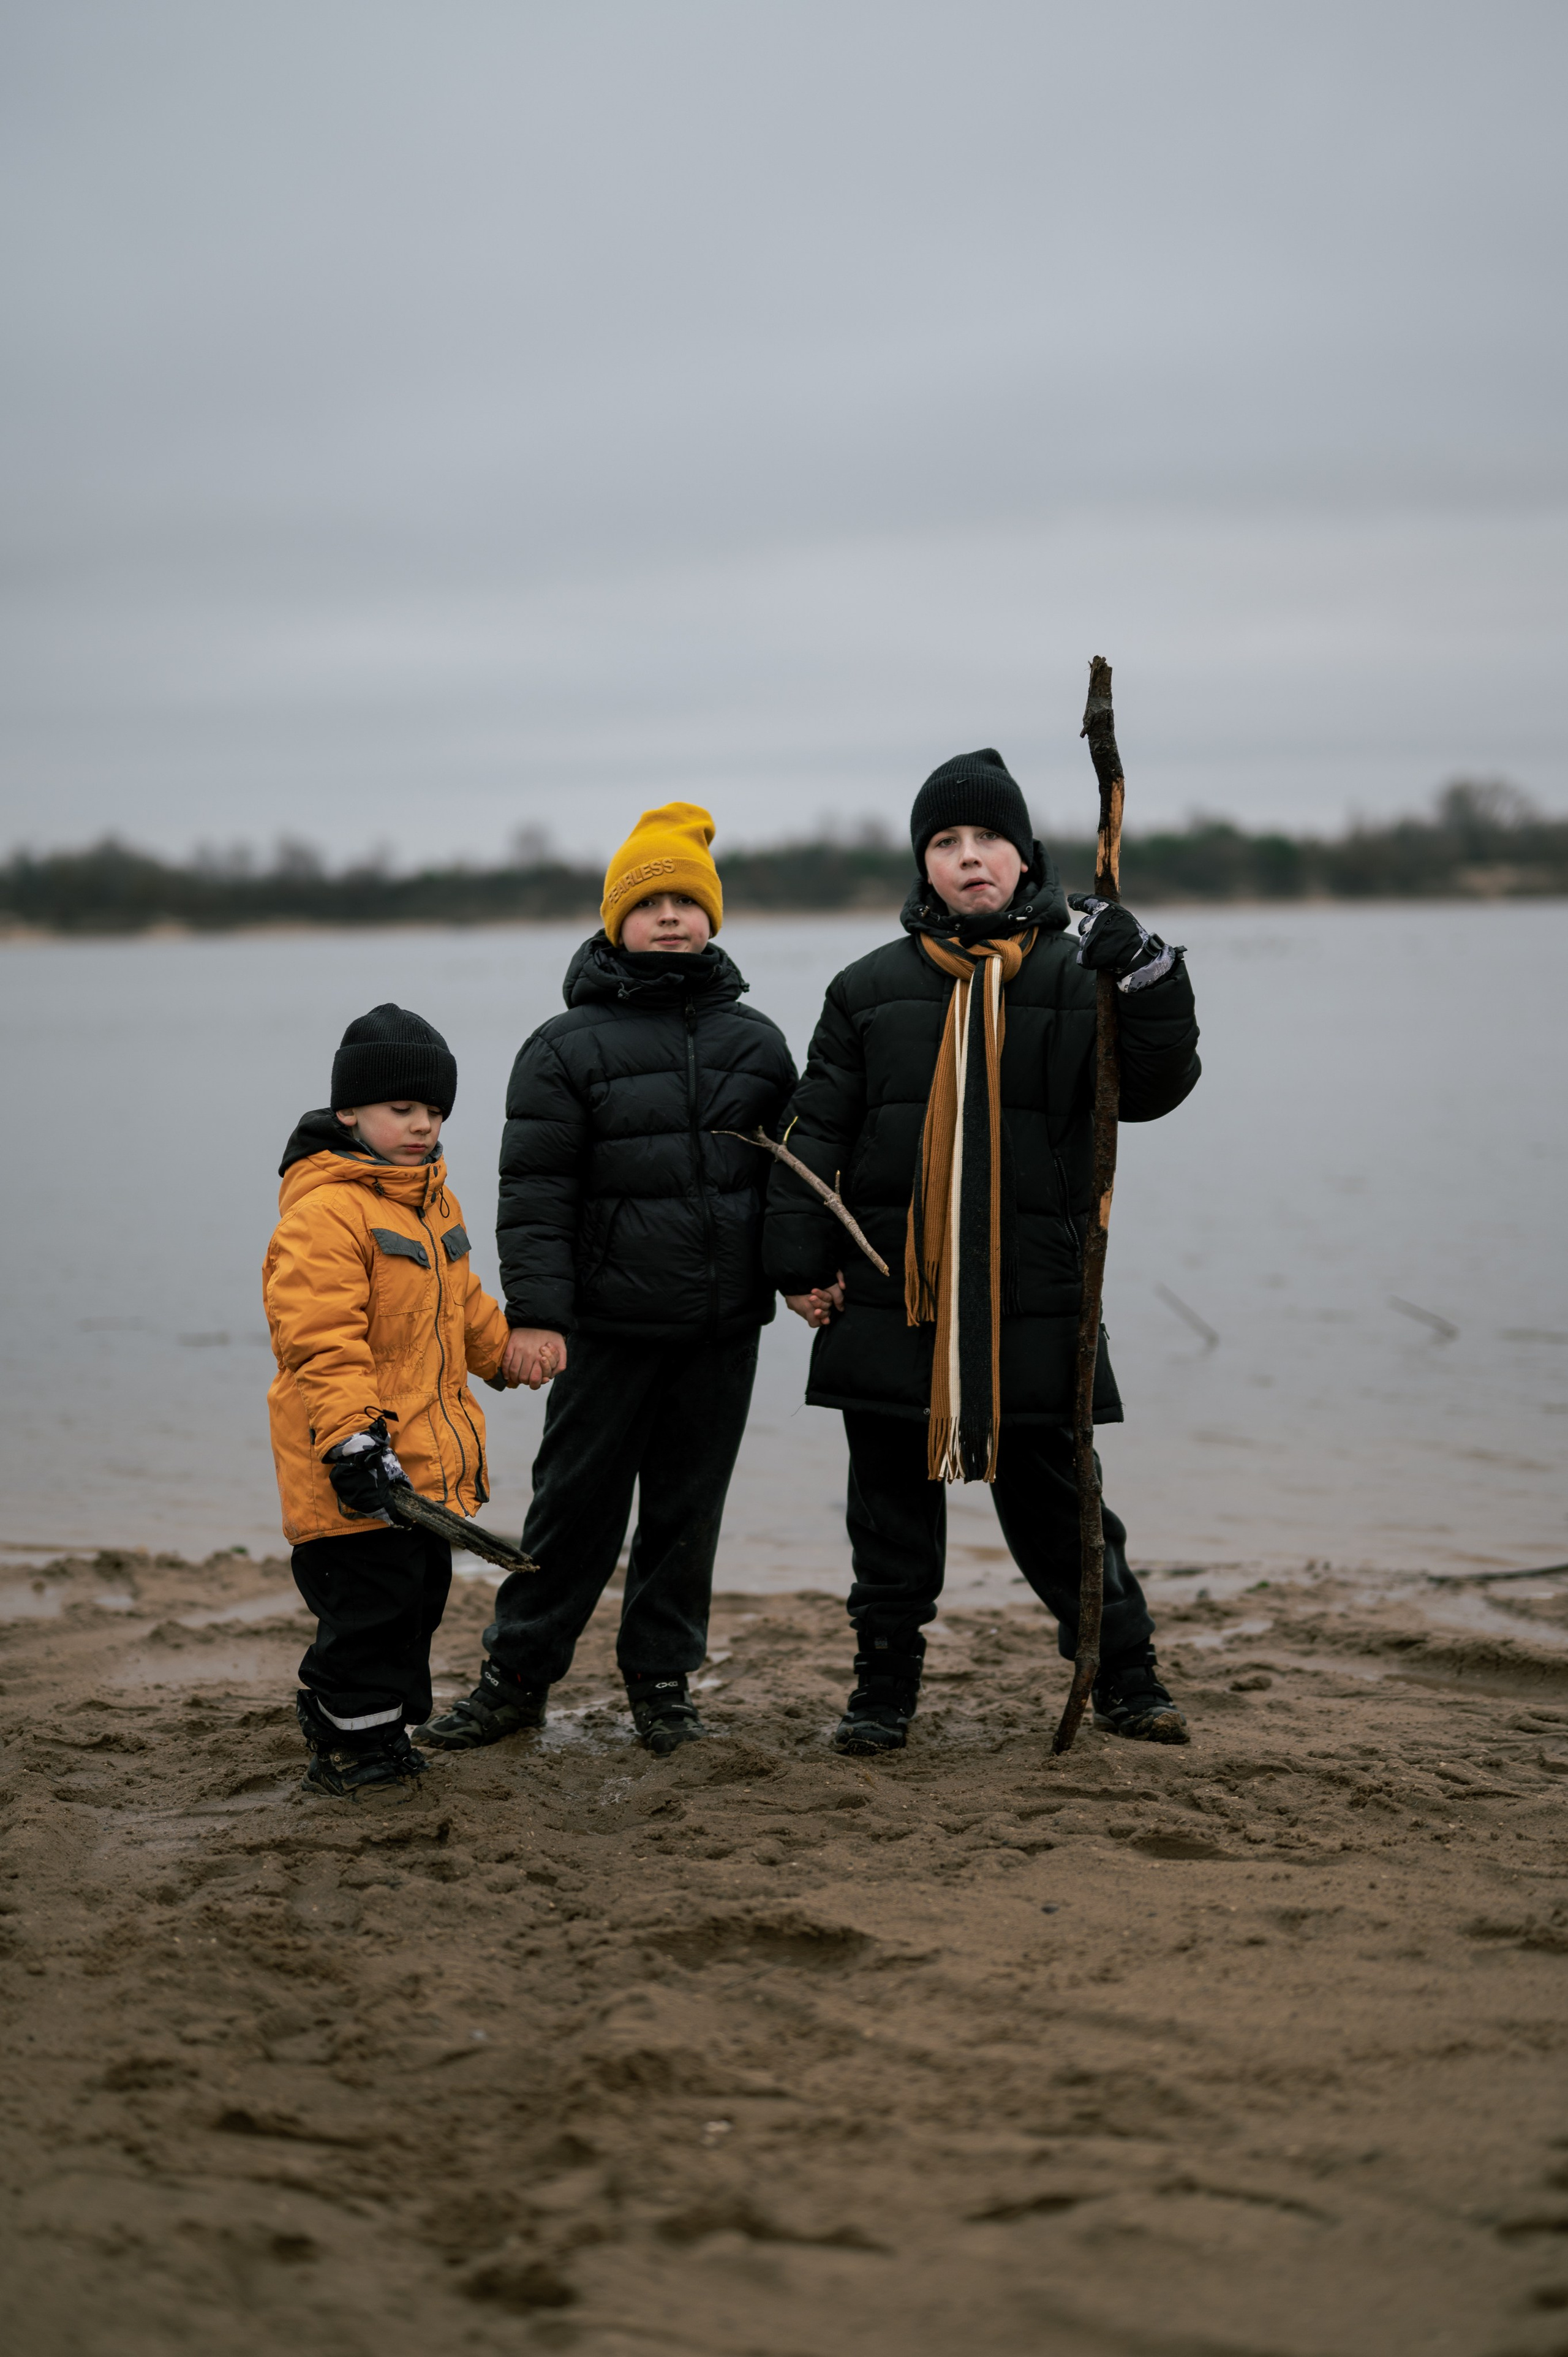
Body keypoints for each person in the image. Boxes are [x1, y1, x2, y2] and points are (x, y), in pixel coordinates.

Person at [765, 748, 1200, 1755]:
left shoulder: (1077, 969)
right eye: (946, 843)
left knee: (1064, 1507)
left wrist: (1148, 978)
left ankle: (1125, 1675)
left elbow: (1156, 1088)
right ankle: (882, 1694)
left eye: (988, 841)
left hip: (1034, 1291)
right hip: (889, 1290)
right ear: (924, 865)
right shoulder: (866, 986)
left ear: (1024, 855)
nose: (969, 859)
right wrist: (798, 1262)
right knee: (888, 1519)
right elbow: (814, 1132)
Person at [420, 801, 796, 1759]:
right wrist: (539, 1318)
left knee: (685, 1512)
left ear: (712, 916)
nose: (670, 916)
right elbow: (534, 1197)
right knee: (573, 1508)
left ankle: (662, 1685)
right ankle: (516, 1677)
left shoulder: (758, 1044)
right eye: (649, 901)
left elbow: (794, 1183)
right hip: (608, 1328)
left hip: (720, 1328)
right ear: (613, 919)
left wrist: (805, 1275)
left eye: (687, 899)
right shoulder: (563, 1048)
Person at [263, 1003, 514, 1797]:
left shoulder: (431, 1200)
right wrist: (353, 1445)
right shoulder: (325, 1212)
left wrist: (508, 1352)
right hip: (353, 1473)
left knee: (415, 1605)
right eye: (401, 1110)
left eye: (434, 1112)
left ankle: (382, 1737)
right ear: (350, 1112)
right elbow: (320, 1341)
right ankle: (347, 1746)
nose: (420, 1127)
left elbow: (463, 1302)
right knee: (367, 1616)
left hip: (424, 1471)